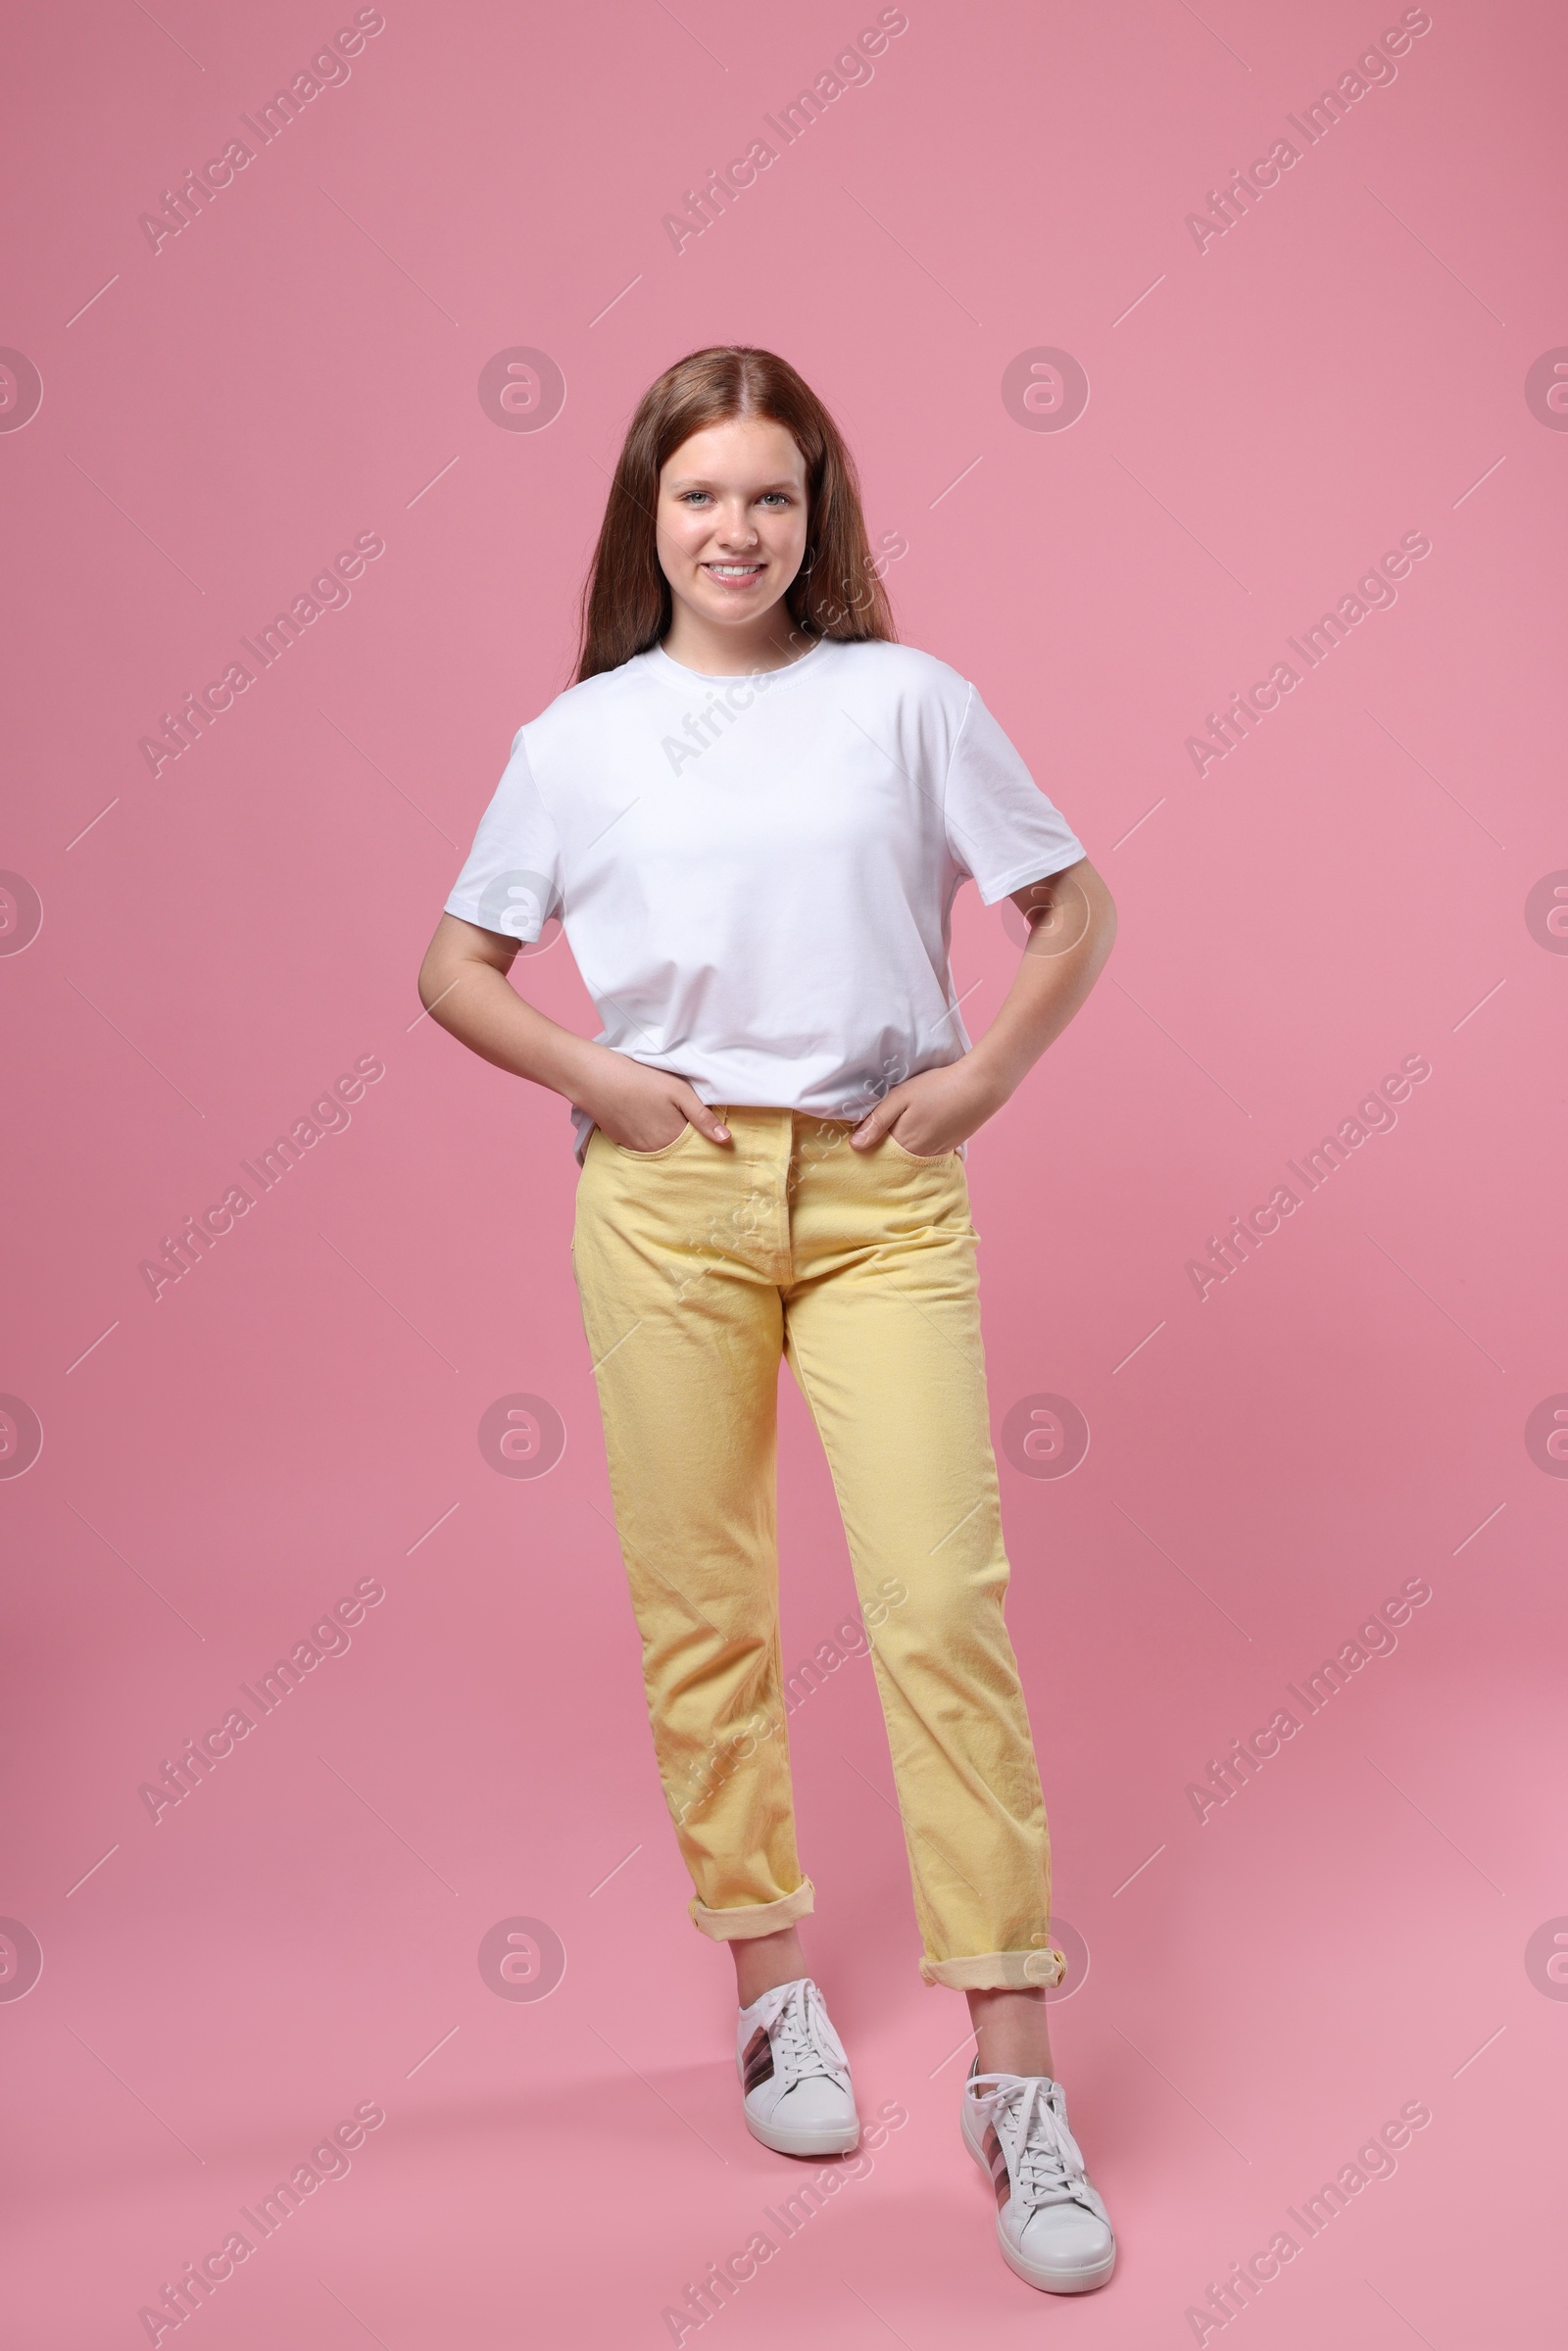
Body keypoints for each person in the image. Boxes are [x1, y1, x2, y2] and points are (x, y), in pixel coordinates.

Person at [417, 345, 1120, 2294]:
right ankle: (765, 1986)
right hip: (667, 1201)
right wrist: (606, 1078)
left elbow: (1072, 910)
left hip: (883, 1195)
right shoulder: (578, 738)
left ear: (820, 518)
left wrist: (975, 1080)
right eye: (700, 496)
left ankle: (1012, 2074)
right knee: (703, 1604)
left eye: (771, 497)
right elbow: (451, 964)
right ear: (646, 517)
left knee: (934, 1610)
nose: (737, 530)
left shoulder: (906, 705)